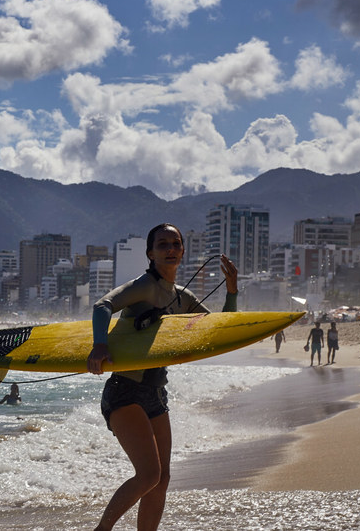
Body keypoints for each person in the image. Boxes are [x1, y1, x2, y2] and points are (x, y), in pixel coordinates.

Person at [86, 223, 239, 531]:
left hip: (157, 394)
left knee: (162, 478)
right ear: (151, 253)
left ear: (182, 251)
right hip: (125, 390)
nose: (170, 249)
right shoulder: (143, 286)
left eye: (175, 244)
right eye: (163, 244)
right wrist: (99, 345)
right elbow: (103, 305)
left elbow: (220, 329)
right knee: (149, 475)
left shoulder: (183, 298)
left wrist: (232, 289)